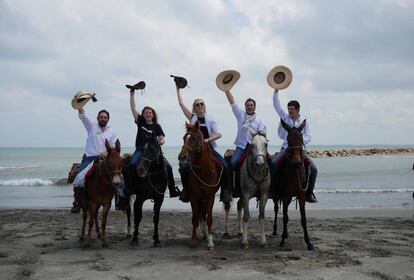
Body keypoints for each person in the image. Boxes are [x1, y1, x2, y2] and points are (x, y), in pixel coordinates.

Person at [175, 85, 231, 203]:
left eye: (201, 104)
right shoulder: (192, 117)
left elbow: (218, 134)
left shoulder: (211, 118)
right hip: (195, 149)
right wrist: (178, 89)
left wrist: (208, 140)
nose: (200, 106)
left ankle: (225, 192)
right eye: (197, 104)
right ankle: (186, 191)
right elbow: (181, 104)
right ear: (194, 108)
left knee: (225, 166)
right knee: (184, 167)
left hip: (209, 147)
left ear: (204, 106)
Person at [128, 87, 181, 198]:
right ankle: (129, 188)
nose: (148, 114)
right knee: (132, 164)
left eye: (150, 113)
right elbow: (133, 107)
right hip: (141, 150)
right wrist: (132, 94)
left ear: (153, 115)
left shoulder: (156, 126)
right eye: (146, 113)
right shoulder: (140, 122)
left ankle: (172, 189)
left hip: (154, 152)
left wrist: (161, 142)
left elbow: (162, 138)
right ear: (143, 115)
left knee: (169, 167)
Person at [270, 89, 318, 203]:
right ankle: (273, 190)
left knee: (314, 169)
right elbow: (276, 105)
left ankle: (309, 193)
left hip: (299, 149)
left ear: (298, 109)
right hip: (286, 148)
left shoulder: (304, 122)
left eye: (292, 109)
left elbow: (309, 136)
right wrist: (276, 91)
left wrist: (299, 143)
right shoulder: (285, 117)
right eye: (289, 109)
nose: (290, 111)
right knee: (273, 164)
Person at [71, 108, 117, 213]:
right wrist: (80, 107)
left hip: (105, 160)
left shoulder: (111, 132)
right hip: (90, 158)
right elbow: (83, 117)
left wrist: (106, 153)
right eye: (101, 117)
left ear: (108, 119)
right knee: (78, 178)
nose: (103, 119)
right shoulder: (91, 126)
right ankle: (77, 202)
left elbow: (113, 147)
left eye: (105, 117)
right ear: (98, 118)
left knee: (118, 176)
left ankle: (120, 200)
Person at [223, 89, 267, 196]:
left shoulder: (259, 120)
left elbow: (262, 135)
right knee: (233, 163)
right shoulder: (240, 115)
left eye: (251, 105)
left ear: (254, 107)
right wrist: (226, 90)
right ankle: (230, 189)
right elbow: (232, 103)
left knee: (269, 162)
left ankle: (267, 189)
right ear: (245, 107)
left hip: (255, 147)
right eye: (248, 105)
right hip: (242, 146)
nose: (249, 107)